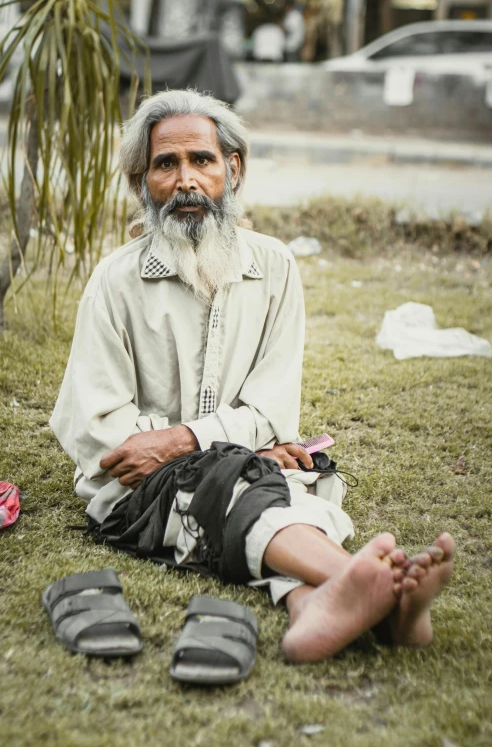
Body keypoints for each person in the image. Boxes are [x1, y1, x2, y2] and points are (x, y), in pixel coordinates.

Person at [50, 89, 454, 663]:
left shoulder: (274, 267)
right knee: (241, 484)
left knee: (293, 484)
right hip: (137, 490)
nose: (186, 179)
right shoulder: (115, 281)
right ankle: (370, 588)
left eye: (202, 160)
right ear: (142, 181)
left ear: (231, 170)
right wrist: (227, 449)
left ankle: (312, 606)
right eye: (166, 164)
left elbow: (271, 407)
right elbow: (100, 432)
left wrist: (193, 439)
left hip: (255, 463)